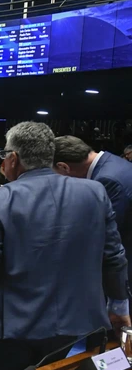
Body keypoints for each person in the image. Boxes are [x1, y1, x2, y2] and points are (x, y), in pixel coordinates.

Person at [0, 122, 128, 370]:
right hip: (76, 321)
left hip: (14, 324)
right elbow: (114, 257)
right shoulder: (94, 192)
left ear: (13, 159)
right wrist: (118, 304)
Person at [53, 135, 132, 337]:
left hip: (121, 273)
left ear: (63, 167)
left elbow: (103, 238)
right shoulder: (113, 162)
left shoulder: (106, 181)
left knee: (108, 344)